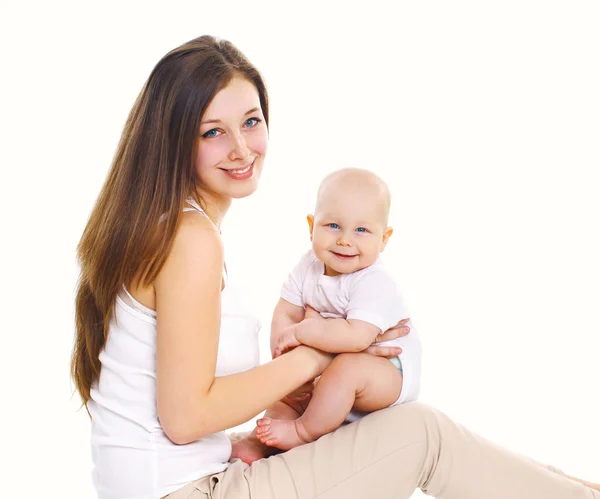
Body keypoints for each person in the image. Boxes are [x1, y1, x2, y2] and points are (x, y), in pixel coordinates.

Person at [71, 35, 600, 499]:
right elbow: (185, 418)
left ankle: (574, 489)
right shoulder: (189, 239)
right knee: (422, 433)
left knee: (391, 428)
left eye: (251, 122)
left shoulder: (167, 227)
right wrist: (321, 351)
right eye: (213, 132)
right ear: (174, 139)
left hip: (190, 480)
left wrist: (263, 420)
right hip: (189, 494)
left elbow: (169, 415)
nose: (241, 149)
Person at [250, 168, 423, 452]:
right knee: (283, 391)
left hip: (386, 374)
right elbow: (286, 313)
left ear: (384, 239)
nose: (345, 240)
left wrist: (305, 331)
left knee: (347, 369)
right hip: (329, 371)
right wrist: (283, 350)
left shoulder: (374, 282)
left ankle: (303, 431)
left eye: (362, 230)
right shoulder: (308, 266)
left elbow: (356, 338)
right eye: (333, 226)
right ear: (311, 226)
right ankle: (256, 445)